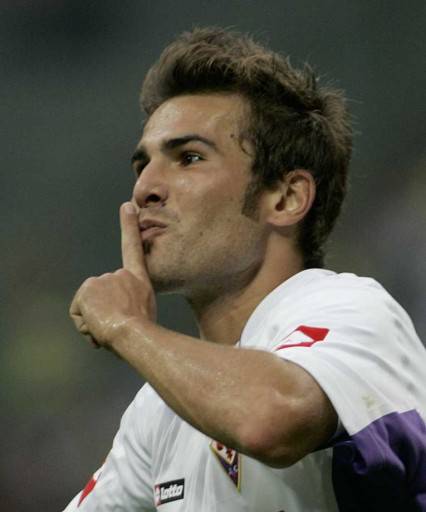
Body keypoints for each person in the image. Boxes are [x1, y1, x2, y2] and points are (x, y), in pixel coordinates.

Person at [64, 27, 426, 512]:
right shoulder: (160, 410)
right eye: (142, 165)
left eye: (189, 158)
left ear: (286, 198)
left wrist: (125, 326)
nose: (145, 188)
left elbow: (270, 420)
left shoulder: (354, 310)